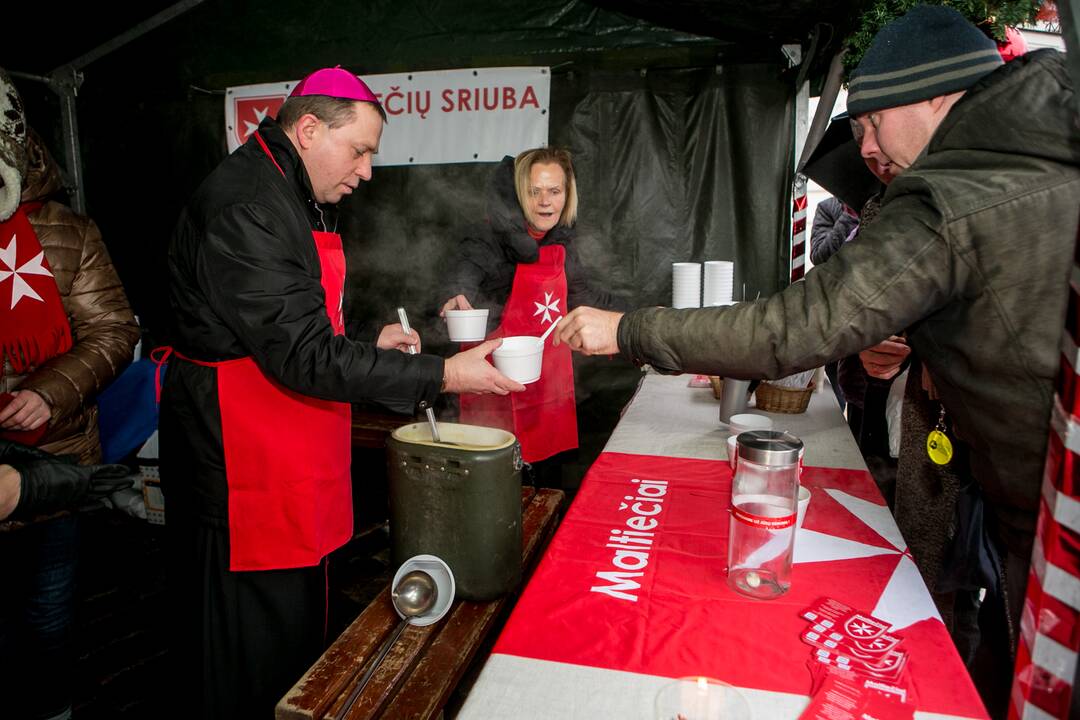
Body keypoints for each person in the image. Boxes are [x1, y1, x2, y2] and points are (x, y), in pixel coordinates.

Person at [555, 5, 1079, 706]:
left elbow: (793, 329)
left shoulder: (952, 194)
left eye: (871, 121)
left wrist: (629, 331)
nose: (864, 147)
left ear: (936, 93)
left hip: (1055, 522)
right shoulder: (1034, 150)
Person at [161, 66, 524, 719]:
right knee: (254, 663)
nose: (367, 170)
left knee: (302, 647)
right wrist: (445, 373)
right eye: (359, 149)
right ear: (307, 129)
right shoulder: (247, 205)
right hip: (244, 471)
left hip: (293, 453)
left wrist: (363, 337)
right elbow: (299, 354)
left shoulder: (290, 188)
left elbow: (293, 318)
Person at [0, 66, 140, 720]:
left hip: (58, 460)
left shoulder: (69, 230)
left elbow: (114, 329)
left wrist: (51, 392)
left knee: (48, 609)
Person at [440, 147, 629, 481]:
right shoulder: (488, 237)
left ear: (566, 196)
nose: (545, 201)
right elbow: (465, 270)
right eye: (534, 191)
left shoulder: (562, 244)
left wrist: (637, 315)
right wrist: (457, 293)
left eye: (554, 191)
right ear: (517, 195)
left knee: (546, 483)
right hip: (493, 391)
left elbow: (582, 296)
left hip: (547, 392)